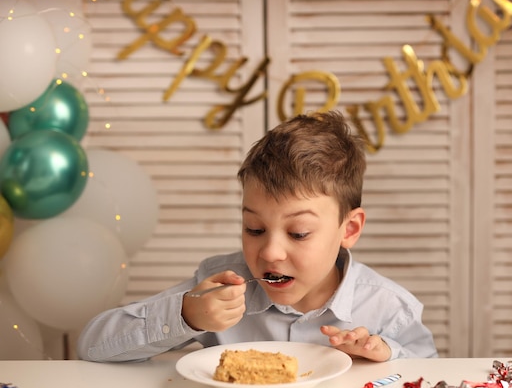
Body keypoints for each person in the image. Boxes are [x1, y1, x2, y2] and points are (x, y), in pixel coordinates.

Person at [77, 111, 438, 362]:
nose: (270, 252)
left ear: (350, 229)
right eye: (254, 229)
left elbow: (432, 381)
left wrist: (389, 356)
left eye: (298, 233)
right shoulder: (218, 287)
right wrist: (186, 315)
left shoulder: (390, 310)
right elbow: (92, 346)